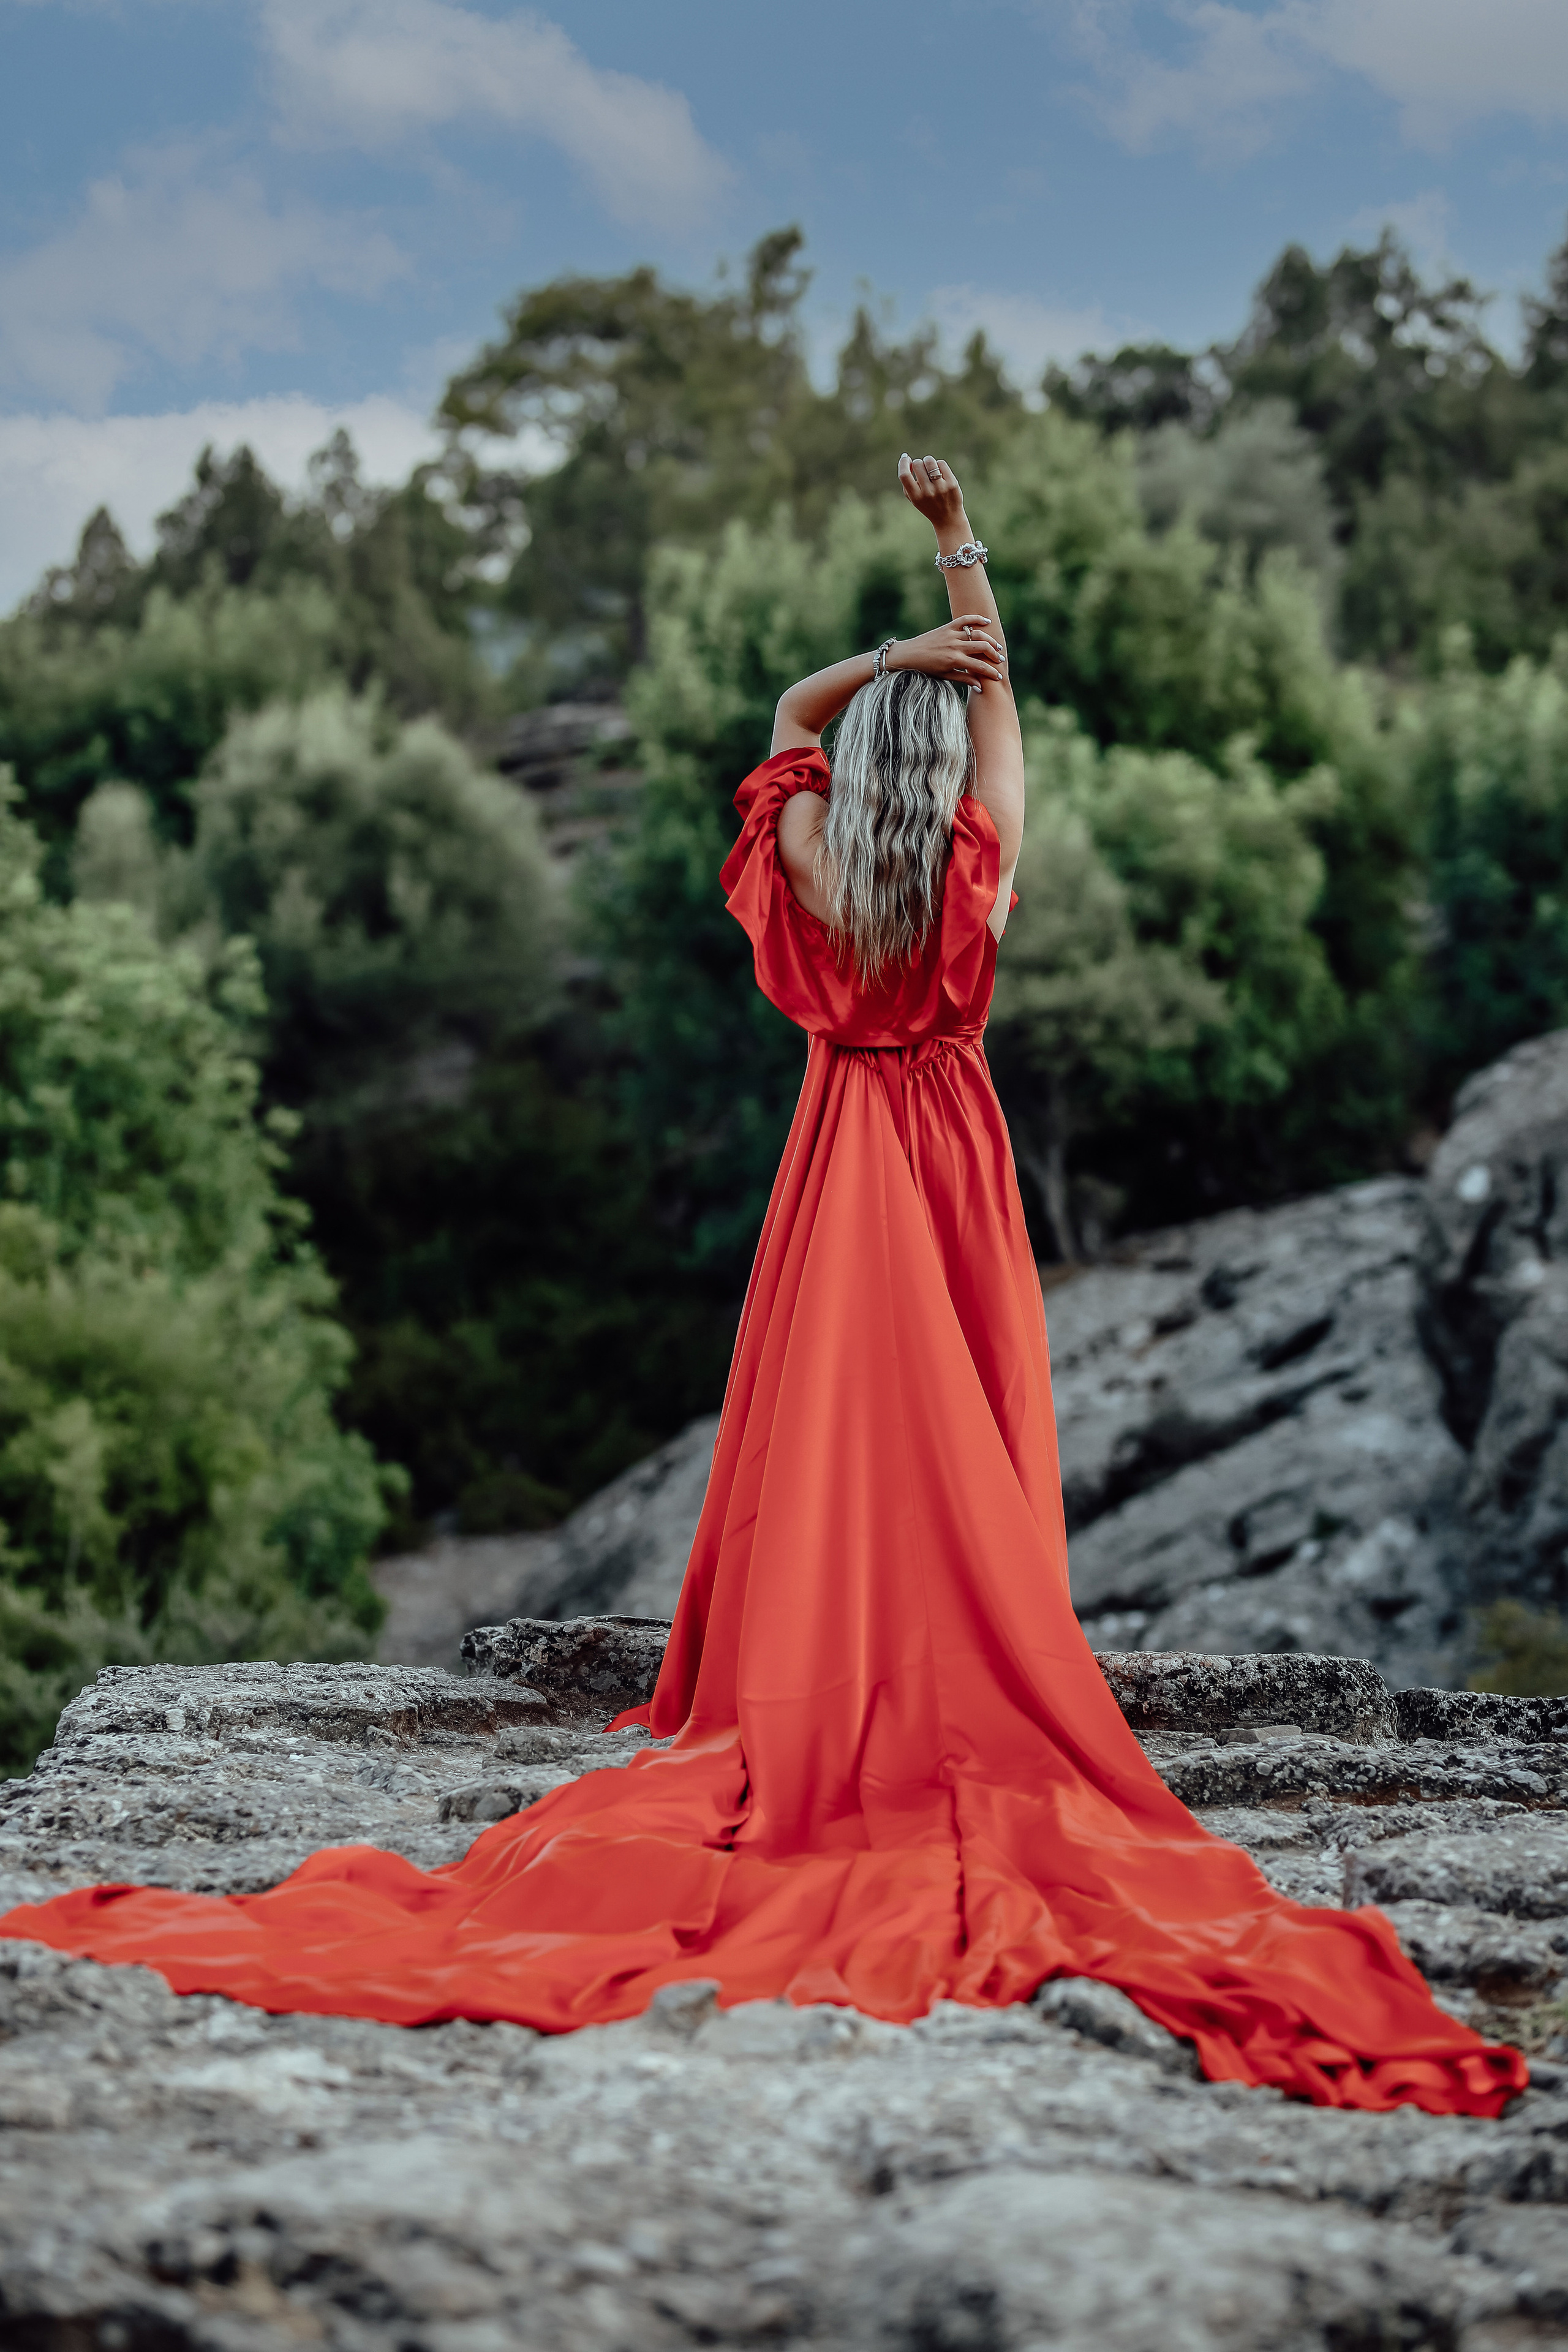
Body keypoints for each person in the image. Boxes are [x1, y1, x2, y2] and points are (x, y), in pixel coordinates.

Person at [0, 458, 1526, 2117]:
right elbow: (1005, 696)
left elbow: (782, 710)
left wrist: (876, 672)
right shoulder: (976, 863)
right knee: (958, 1432)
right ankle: (956, 1649)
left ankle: (808, 1670)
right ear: (941, 775)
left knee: (830, 1427)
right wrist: (957, 561)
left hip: (838, 1159)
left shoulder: (799, 842)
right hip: (945, 1156)